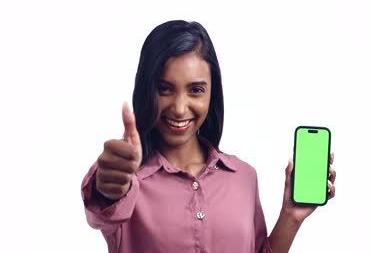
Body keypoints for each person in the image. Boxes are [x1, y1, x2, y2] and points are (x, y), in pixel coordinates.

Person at [81, 20, 336, 253]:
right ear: (147, 90)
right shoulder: (128, 182)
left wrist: (291, 216)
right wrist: (108, 183)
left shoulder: (244, 177)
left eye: (196, 90)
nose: (180, 108)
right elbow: (103, 205)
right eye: (165, 89)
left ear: (212, 93)